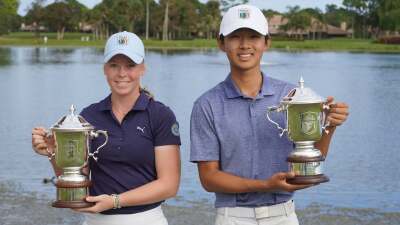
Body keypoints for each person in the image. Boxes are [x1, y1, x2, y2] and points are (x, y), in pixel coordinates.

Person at [190, 4, 349, 225]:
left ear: (266, 42)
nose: (245, 45)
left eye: (253, 37)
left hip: (283, 215)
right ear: (221, 43)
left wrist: (329, 126)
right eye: (235, 37)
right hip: (232, 217)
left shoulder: (292, 96)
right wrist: (266, 185)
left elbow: (309, 164)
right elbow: (209, 179)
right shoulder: (206, 105)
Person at [31, 31, 181, 225]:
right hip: (96, 220)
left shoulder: (160, 115)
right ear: (104, 69)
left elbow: (169, 185)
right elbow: (77, 179)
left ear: (143, 68)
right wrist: (53, 153)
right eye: (114, 65)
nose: (121, 74)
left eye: (130, 65)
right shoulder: (89, 116)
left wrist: (115, 201)